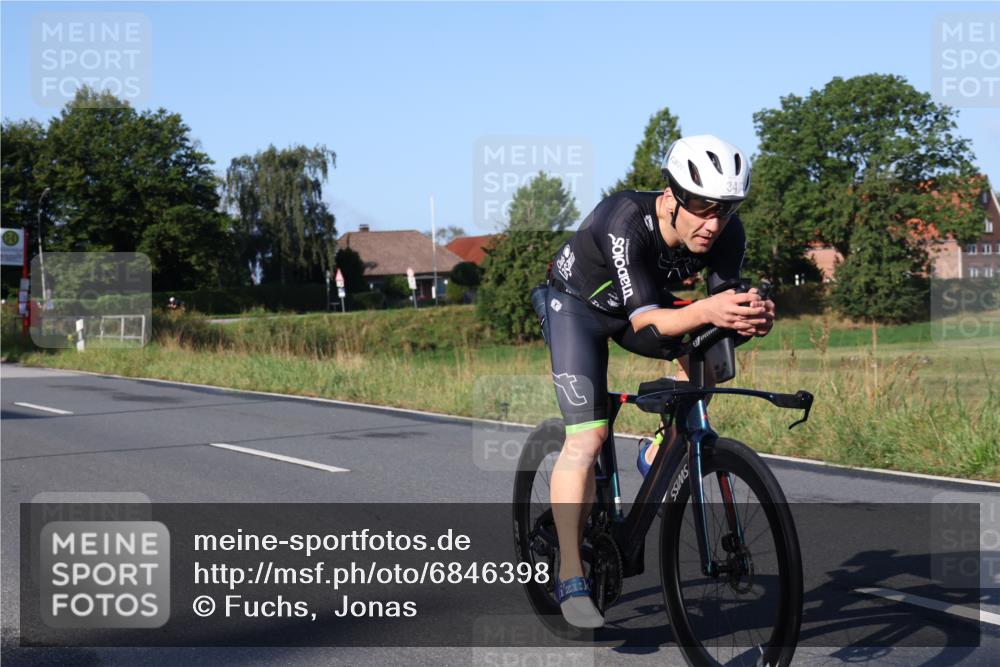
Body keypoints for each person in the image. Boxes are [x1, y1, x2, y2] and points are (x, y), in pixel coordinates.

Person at [536, 135, 775, 628]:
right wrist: (708, 309)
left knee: (707, 338)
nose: (714, 224)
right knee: (589, 438)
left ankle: (662, 448)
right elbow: (647, 321)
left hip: (637, 308)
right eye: (704, 208)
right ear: (671, 198)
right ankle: (570, 573)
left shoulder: (728, 233)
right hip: (577, 308)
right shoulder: (624, 219)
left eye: (725, 210)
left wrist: (750, 317)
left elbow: (717, 312)